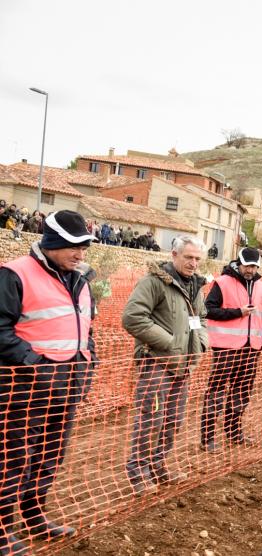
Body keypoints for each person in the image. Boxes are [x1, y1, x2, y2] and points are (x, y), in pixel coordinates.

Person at [0, 210, 98, 553]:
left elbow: (86, 330)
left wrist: (88, 367)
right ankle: (1, 530)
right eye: (74, 247)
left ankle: (34, 515)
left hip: (67, 387)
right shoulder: (14, 275)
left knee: (50, 455)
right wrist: (37, 366)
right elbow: (1, 331)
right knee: (13, 458)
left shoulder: (81, 280)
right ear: (52, 242)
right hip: (24, 389)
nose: (80, 254)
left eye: (84, 247)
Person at [121, 236, 208, 495]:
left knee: (173, 420)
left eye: (197, 259)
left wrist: (200, 342)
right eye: (188, 257)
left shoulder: (195, 286)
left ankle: (159, 465)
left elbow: (201, 317)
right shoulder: (154, 282)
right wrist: (170, 342)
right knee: (150, 419)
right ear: (174, 254)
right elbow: (133, 318)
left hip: (184, 366)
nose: (193, 263)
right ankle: (138, 473)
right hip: (157, 364)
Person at [200, 247, 262, 452]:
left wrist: (260, 343)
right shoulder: (222, 283)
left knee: (242, 392)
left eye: (255, 266)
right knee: (217, 393)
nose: (251, 270)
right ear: (238, 263)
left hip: (251, 350)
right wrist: (237, 312)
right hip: (226, 349)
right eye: (247, 265)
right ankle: (208, 438)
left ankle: (233, 431)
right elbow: (208, 310)